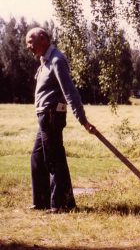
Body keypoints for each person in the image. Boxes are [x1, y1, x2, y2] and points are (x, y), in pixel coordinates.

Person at [26, 27, 95, 213]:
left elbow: (70, 91)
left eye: (30, 41)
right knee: (37, 158)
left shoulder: (56, 60)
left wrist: (83, 119)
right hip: (44, 116)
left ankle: (62, 204)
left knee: (54, 159)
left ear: (43, 39)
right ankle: (41, 201)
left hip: (52, 116)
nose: (29, 46)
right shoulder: (45, 61)